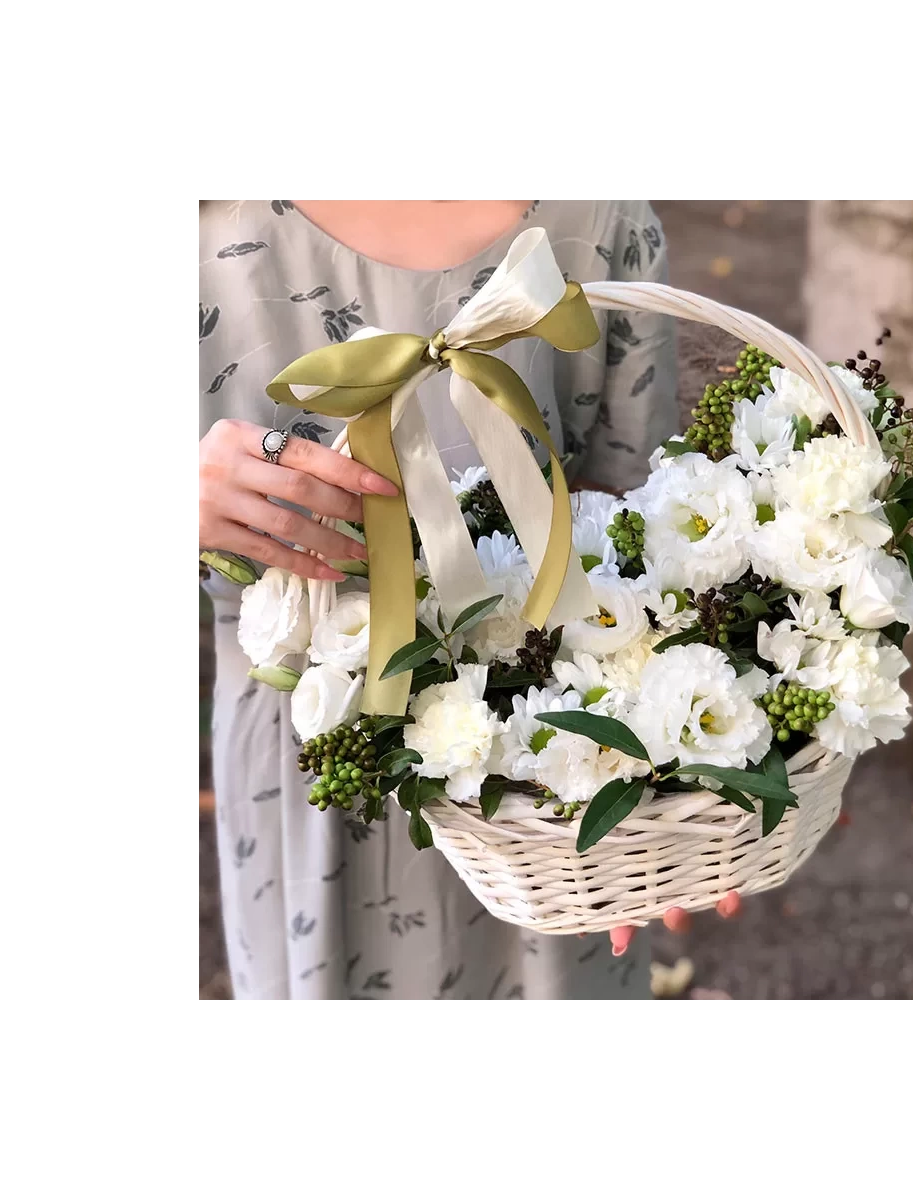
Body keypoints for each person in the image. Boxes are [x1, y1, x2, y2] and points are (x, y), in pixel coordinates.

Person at [199, 200, 741, 1000]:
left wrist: (682, 777)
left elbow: (632, 528)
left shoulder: (595, 217)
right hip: (314, 765)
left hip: (544, 779)